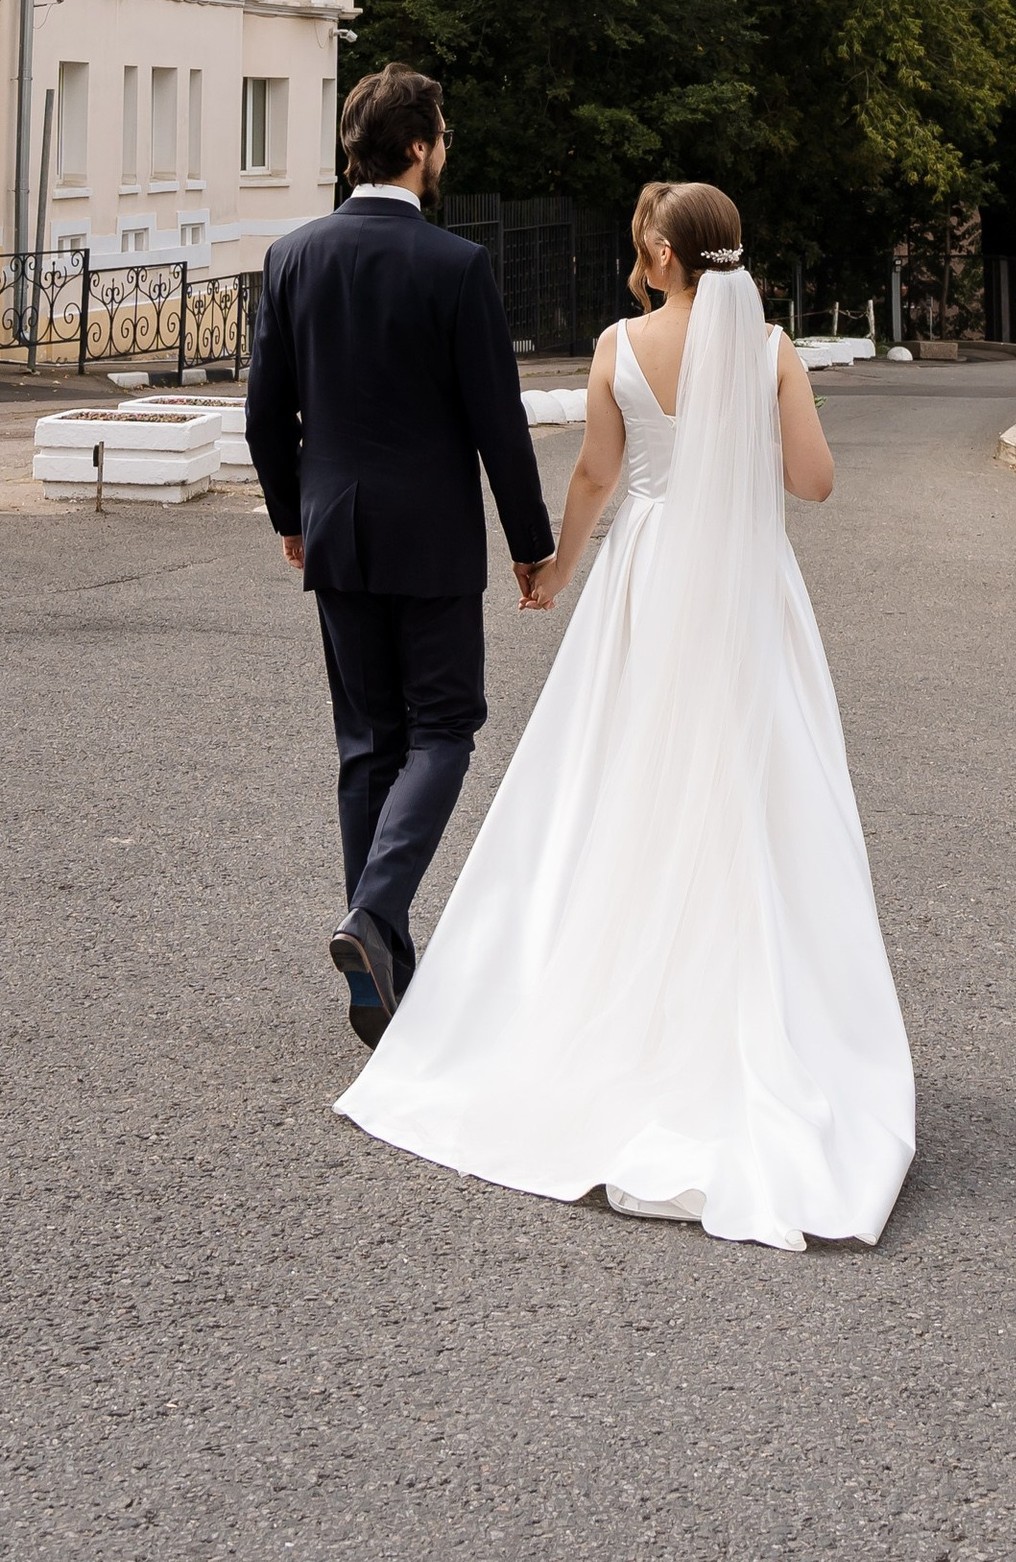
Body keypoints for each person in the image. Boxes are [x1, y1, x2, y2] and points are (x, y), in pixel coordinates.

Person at [335, 179, 916, 1250]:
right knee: (756, 788)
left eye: (641, 241)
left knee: (615, 783)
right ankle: (763, 1023)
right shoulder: (774, 350)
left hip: (645, 581)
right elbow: (815, 483)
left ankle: (595, 1010)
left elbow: (600, 472)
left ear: (660, 252)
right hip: (745, 589)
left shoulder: (616, 346)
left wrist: (554, 566)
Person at [244, 63, 556, 1048]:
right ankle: (374, 919)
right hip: (430, 536)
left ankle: (378, 972)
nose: (446, 150)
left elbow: (263, 416)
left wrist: (289, 511)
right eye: (445, 136)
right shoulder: (454, 265)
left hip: (334, 528)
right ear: (418, 148)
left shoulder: (291, 257)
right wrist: (530, 544)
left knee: (366, 743)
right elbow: (496, 424)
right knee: (447, 727)